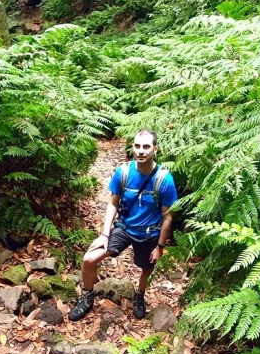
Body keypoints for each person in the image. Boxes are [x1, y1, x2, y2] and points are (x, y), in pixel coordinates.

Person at [69, 130, 178, 321]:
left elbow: (167, 216)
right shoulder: (124, 172)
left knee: (146, 267)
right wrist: (104, 234)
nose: (141, 151)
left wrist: (160, 247)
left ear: (155, 149)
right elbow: (113, 203)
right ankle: (87, 297)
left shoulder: (164, 179)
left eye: (146, 147)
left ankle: (139, 295)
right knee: (89, 258)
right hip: (124, 228)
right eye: (137, 146)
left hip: (149, 234)